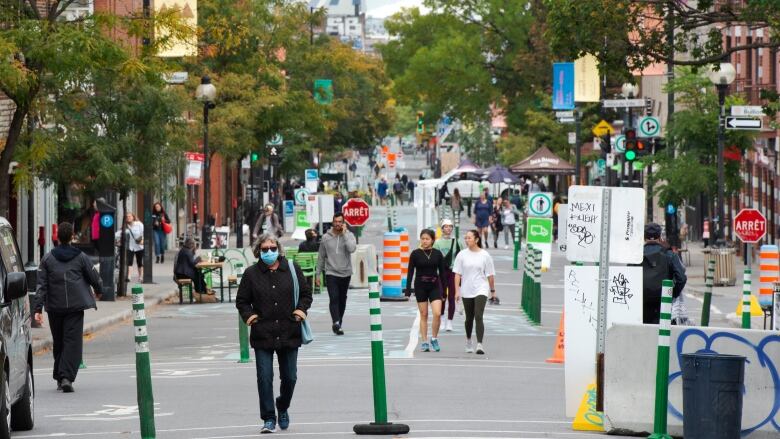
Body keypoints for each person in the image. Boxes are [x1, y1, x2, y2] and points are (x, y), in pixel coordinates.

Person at [236, 233, 312, 434]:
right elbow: (242, 301)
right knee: (264, 378)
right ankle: (269, 418)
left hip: (289, 331)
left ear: (278, 249)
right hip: (263, 334)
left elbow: (306, 294)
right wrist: (250, 317)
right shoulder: (251, 274)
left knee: (290, 377)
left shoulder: (292, 269)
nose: (269, 252)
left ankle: (283, 406)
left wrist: (300, 311)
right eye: (264, 249)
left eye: (272, 248)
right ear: (258, 252)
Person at [35, 222, 102, 393]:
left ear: (57, 237)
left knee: (59, 341)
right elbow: (93, 275)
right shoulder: (81, 256)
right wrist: (100, 290)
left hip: (55, 307)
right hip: (75, 305)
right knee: (72, 342)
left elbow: (41, 285)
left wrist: (37, 309)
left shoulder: (48, 259)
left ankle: (60, 375)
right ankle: (65, 376)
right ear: (72, 236)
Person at [453, 230, 496, 355]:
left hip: (481, 288)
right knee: (469, 318)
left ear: (476, 239)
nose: (467, 240)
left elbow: (490, 275)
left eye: (469, 238)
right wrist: (457, 291)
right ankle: (468, 340)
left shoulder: (485, 255)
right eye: (466, 238)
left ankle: (480, 344)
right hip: (466, 289)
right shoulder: (461, 255)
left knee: (478, 315)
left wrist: (492, 291)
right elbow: (457, 274)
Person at [405, 229, 447, 352]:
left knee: (437, 313)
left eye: (427, 239)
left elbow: (443, 274)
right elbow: (410, 272)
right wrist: (408, 289)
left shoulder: (438, 254)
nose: (424, 241)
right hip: (420, 286)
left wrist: (444, 290)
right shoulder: (415, 253)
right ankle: (424, 341)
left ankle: (434, 338)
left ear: (432, 240)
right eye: (422, 238)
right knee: (424, 314)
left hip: (434, 285)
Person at [318, 213, 357, 335]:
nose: (338, 224)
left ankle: (339, 321)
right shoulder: (326, 237)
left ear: (343, 223)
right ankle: (335, 322)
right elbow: (321, 256)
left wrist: (345, 234)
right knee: (333, 297)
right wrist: (318, 273)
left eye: (340, 221)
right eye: (336, 221)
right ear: (332, 222)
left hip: (345, 273)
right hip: (331, 272)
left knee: (342, 299)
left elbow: (352, 249)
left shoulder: (349, 235)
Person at [642, 223, 687, 324]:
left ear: (644, 237)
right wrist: (672, 293)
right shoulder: (669, 254)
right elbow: (681, 278)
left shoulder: (636, 255)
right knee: (664, 333)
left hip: (642, 303)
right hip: (664, 301)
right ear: (660, 236)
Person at [433, 219, 462, 332]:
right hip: (441, 272)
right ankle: (442, 317)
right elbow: (434, 258)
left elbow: (463, 256)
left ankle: (450, 321)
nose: (448, 228)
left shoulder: (457, 242)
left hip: (453, 272)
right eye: (446, 226)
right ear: (442, 228)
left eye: (450, 226)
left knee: (452, 297)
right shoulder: (437, 243)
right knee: (442, 296)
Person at [121, 213, 145, 283]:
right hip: (130, 246)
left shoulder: (139, 224)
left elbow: (144, 233)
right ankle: (129, 277)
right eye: (127, 217)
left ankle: (140, 277)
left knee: (139, 262)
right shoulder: (125, 226)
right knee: (129, 262)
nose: (128, 218)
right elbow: (120, 234)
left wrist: (143, 240)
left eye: (130, 216)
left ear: (133, 217)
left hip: (139, 246)